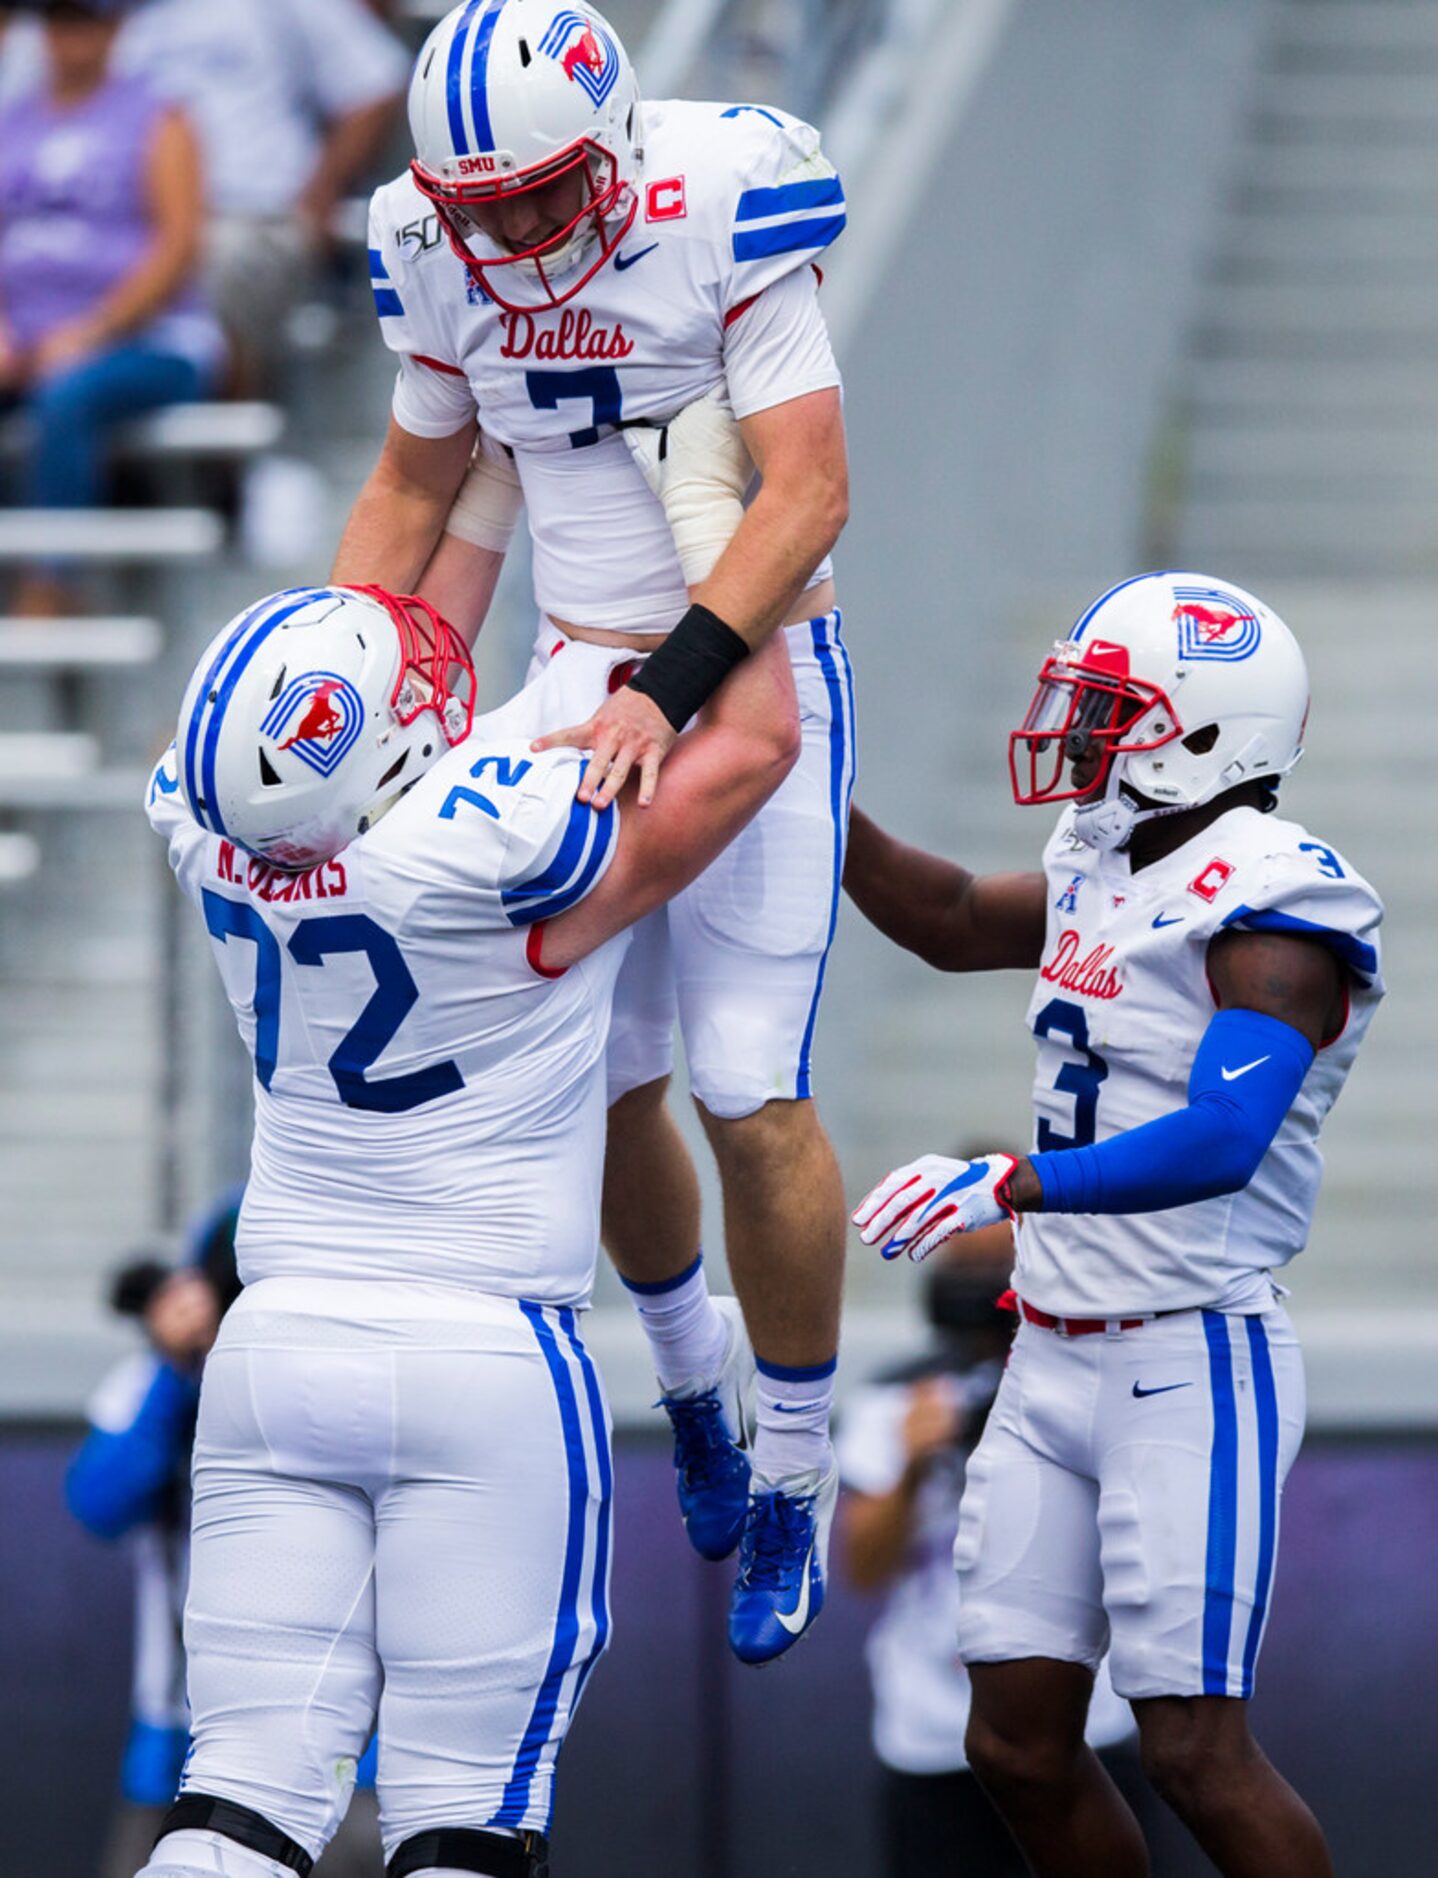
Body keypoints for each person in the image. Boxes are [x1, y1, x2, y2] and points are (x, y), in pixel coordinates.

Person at [331, 0, 854, 1666]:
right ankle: (690, 1378)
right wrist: (331, 693)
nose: (508, 236)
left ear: (617, 148)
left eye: (541, 199)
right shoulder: (436, 236)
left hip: (752, 663)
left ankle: (796, 1460)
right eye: (477, 209)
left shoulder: (718, 194)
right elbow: (421, 493)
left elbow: (807, 492)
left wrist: (671, 682)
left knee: (744, 1084)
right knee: (600, 1072)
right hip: (570, 673)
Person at [136, 579, 799, 1878]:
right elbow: (762, 740)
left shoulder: (201, 822)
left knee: (239, 1808)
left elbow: (317, 722)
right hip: (481, 1352)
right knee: (462, 1823)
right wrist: (738, 555)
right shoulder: (498, 844)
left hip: (273, 1350)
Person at [848, 572, 1384, 1878]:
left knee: (1195, 1752)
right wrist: (808, 803)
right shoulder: (1105, 849)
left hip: (1189, 1355)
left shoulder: (1276, 898)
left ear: (1204, 732)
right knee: (1015, 1745)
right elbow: (945, 919)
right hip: (1050, 1351)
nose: (1078, 727)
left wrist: (1013, 1184)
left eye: (1109, 705)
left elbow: (1220, 1137)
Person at [67, 1192, 385, 1878]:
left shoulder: (364, 1379)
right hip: (180, 1748)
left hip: (347, 1748)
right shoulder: (158, 1382)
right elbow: (97, 1502)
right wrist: (178, 1367)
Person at [838, 1228, 1148, 1877]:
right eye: (962, 1264)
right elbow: (862, 1568)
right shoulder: (898, 1400)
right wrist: (915, 1466)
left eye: (994, 1263)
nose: (977, 1285)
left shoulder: (1099, 1387)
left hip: (1085, 1728)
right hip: (934, 1737)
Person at [0, 0, 222, 617]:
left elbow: (178, 246)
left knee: (66, 395)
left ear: (116, 26)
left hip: (154, 341)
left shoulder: (159, 117)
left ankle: (52, 585)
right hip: (28, 343)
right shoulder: (11, 121)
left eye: (85, 18)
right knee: (53, 384)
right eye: (57, 18)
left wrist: (93, 330)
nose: (70, 33)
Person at [117, 0, 408, 388]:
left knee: (218, 262)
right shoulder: (110, 15)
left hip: (253, 215)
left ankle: (223, 431)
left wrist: (322, 192)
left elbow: (374, 81)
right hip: (134, 222)